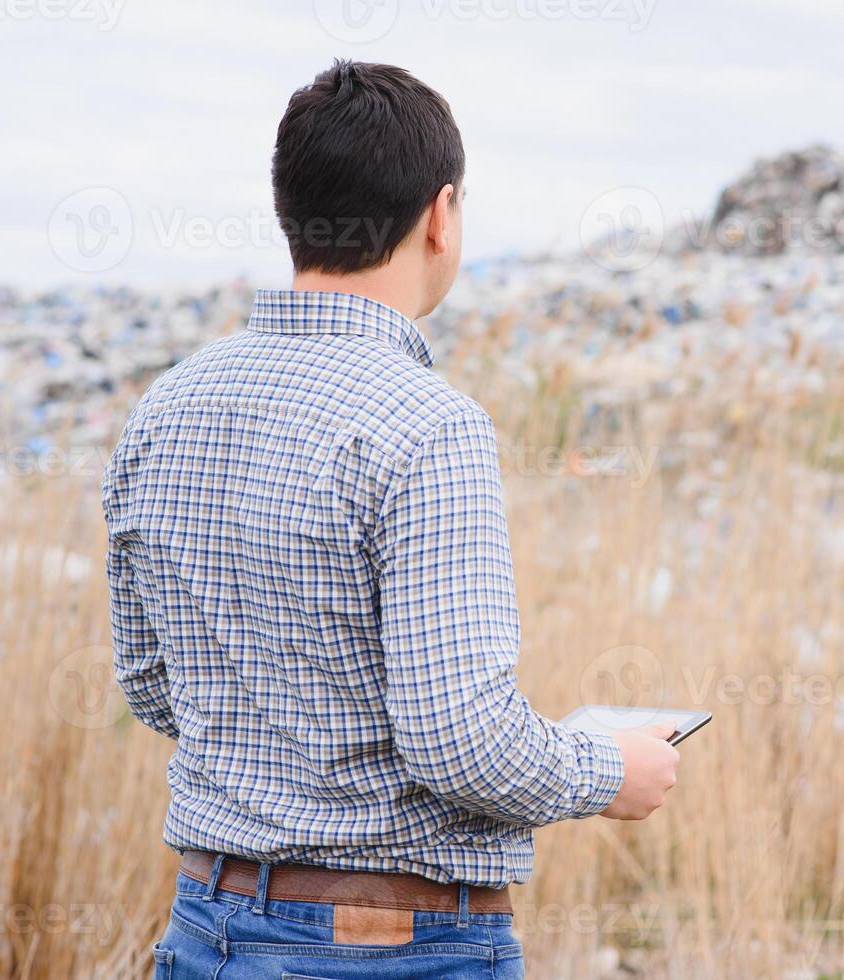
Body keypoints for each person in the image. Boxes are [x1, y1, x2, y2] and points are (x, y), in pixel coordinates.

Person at [101, 59, 680, 980]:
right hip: (389, 952)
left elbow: (151, 687)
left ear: (294, 211)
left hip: (204, 930)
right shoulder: (428, 426)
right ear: (441, 216)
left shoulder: (163, 409)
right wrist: (609, 770)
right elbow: (462, 742)